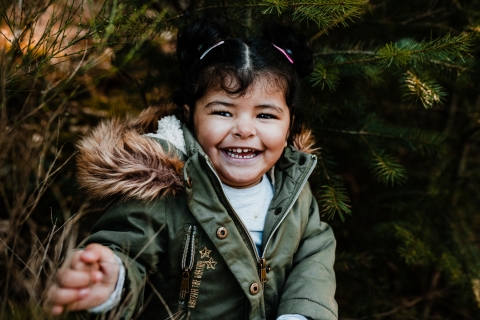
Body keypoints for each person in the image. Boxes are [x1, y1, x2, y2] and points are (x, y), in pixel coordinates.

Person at [44, 18, 338, 320]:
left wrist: (299, 315)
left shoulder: (292, 187)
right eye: (223, 111)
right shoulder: (161, 185)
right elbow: (127, 249)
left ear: (290, 124)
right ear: (190, 114)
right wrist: (112, 279)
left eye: (266, 115)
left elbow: (313, 253)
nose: (244, 129)